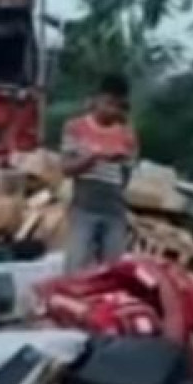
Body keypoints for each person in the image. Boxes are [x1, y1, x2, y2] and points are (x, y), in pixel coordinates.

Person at [61, 73, 138, 274]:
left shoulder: (126, 134)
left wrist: (125, 155)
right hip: (83, 210)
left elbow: (125, 176)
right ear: (96, 99)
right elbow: (66, 168)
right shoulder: (75, 128)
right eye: (108, 103)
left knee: (113, 273)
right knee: (74, 270)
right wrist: (93, 158)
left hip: (114, 213)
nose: (112, 110)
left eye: (118, 105)